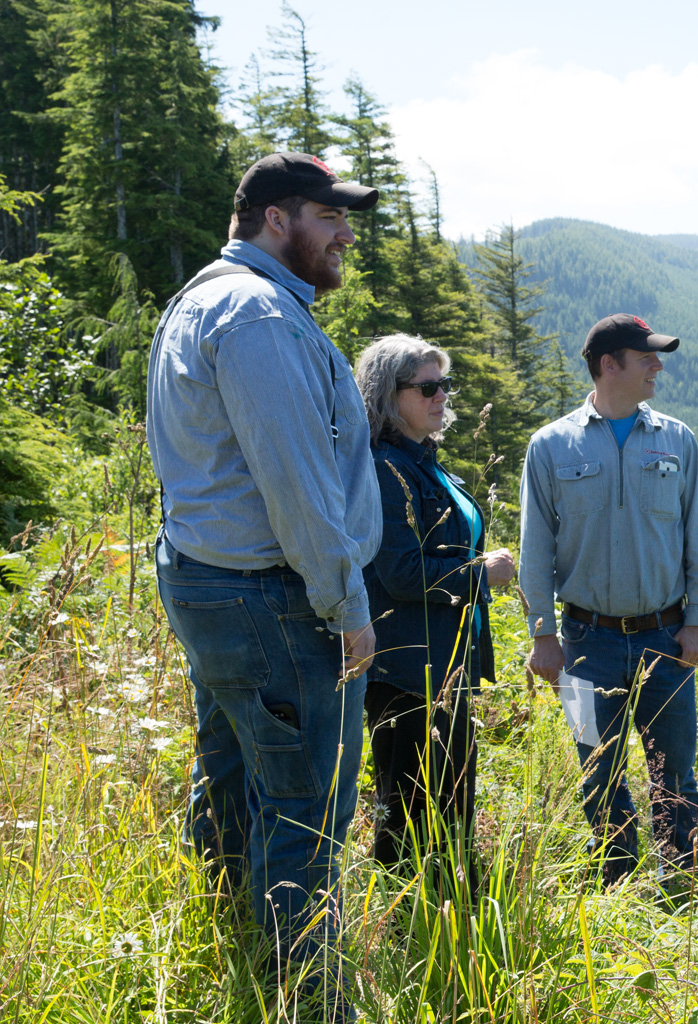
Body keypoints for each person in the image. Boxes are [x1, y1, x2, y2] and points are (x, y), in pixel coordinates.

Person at [147, 152, 382, 1004]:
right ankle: (309, 1001)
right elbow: (296, 478)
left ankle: (235, 958)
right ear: (276, 220)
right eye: (329, 217)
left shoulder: (203, 301)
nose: (344, 234)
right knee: (306, 811)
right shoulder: (255, 315)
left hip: (214, 584)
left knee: (235, 778)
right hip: (277, 599)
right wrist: (347, 603)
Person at [518, 313, 698, 885]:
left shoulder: (677, 440)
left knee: (675, 772)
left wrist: (697, 621)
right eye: (646, 357)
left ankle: (681, 878)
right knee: (596, 771)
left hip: (666, 637)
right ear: (610, 365)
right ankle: (619, 883)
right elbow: (536, 550)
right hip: (583, 642)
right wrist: (543, 635)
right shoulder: (550, 446)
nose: (658, 366)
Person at [354, 335, 514, 901]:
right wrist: (480, 573)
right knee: (410, 805)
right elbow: (398, 572)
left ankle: (443, 918)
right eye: (427, 387)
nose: (442, 396)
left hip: (441, 666)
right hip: (406, 670)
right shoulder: (384, 467)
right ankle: (408, 927)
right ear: (387, 394)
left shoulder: (421, 463)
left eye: (444, 385)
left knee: (448, 801)